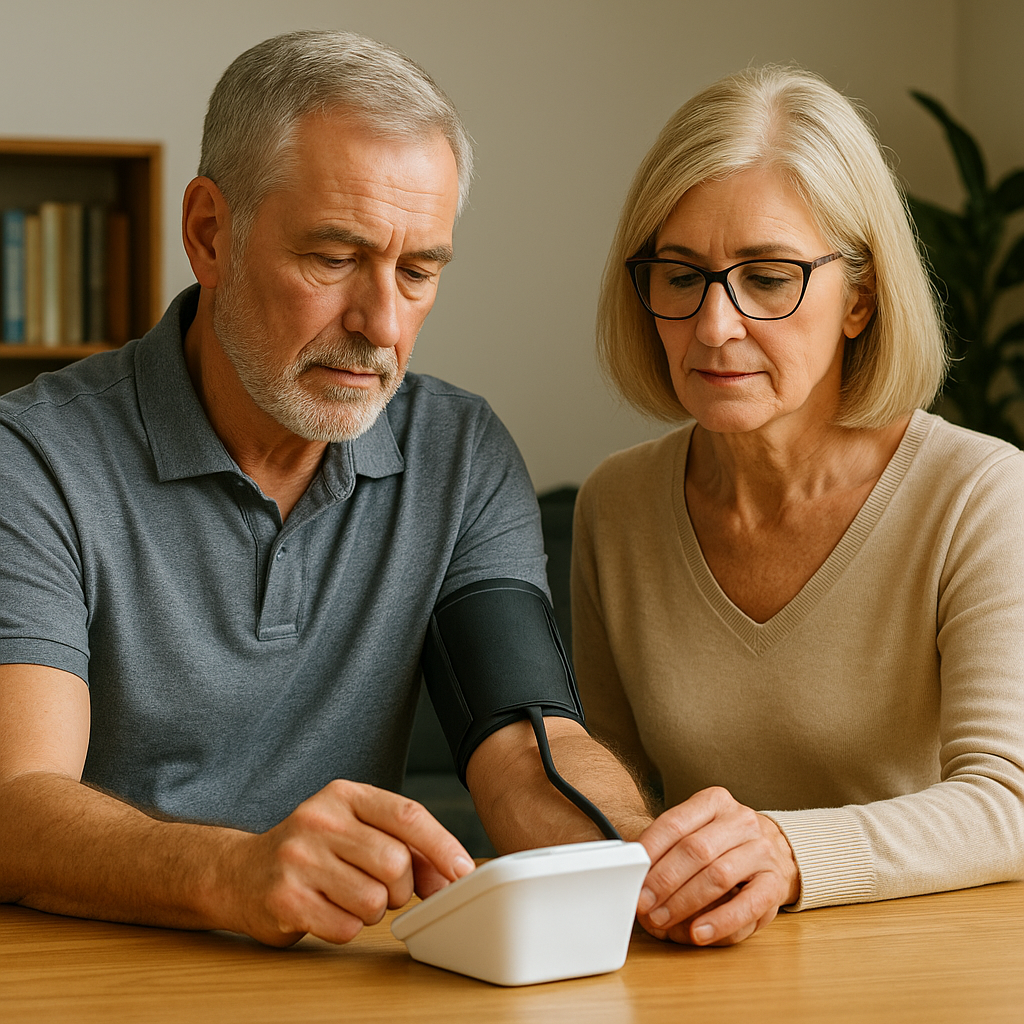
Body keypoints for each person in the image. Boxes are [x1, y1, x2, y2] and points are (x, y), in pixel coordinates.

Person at [0, 30, 649, 947]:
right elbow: (15, 805)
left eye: (419, 271)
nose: (382, 324)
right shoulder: (31, 460)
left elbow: (526, 747)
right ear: (209, 234)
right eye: (334, 258)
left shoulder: (458, 453)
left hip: (336, 979)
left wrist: (642, 861)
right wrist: (233, 871)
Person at [572, 65, 1024, 949]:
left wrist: (787, 850)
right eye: (681, 274)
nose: (714, 326)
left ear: (860, 297)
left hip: (931, 972)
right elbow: (613, 786)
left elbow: (1008, 800)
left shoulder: (979, 493)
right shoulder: (615, 506)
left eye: (769, 278)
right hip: (699, 969)